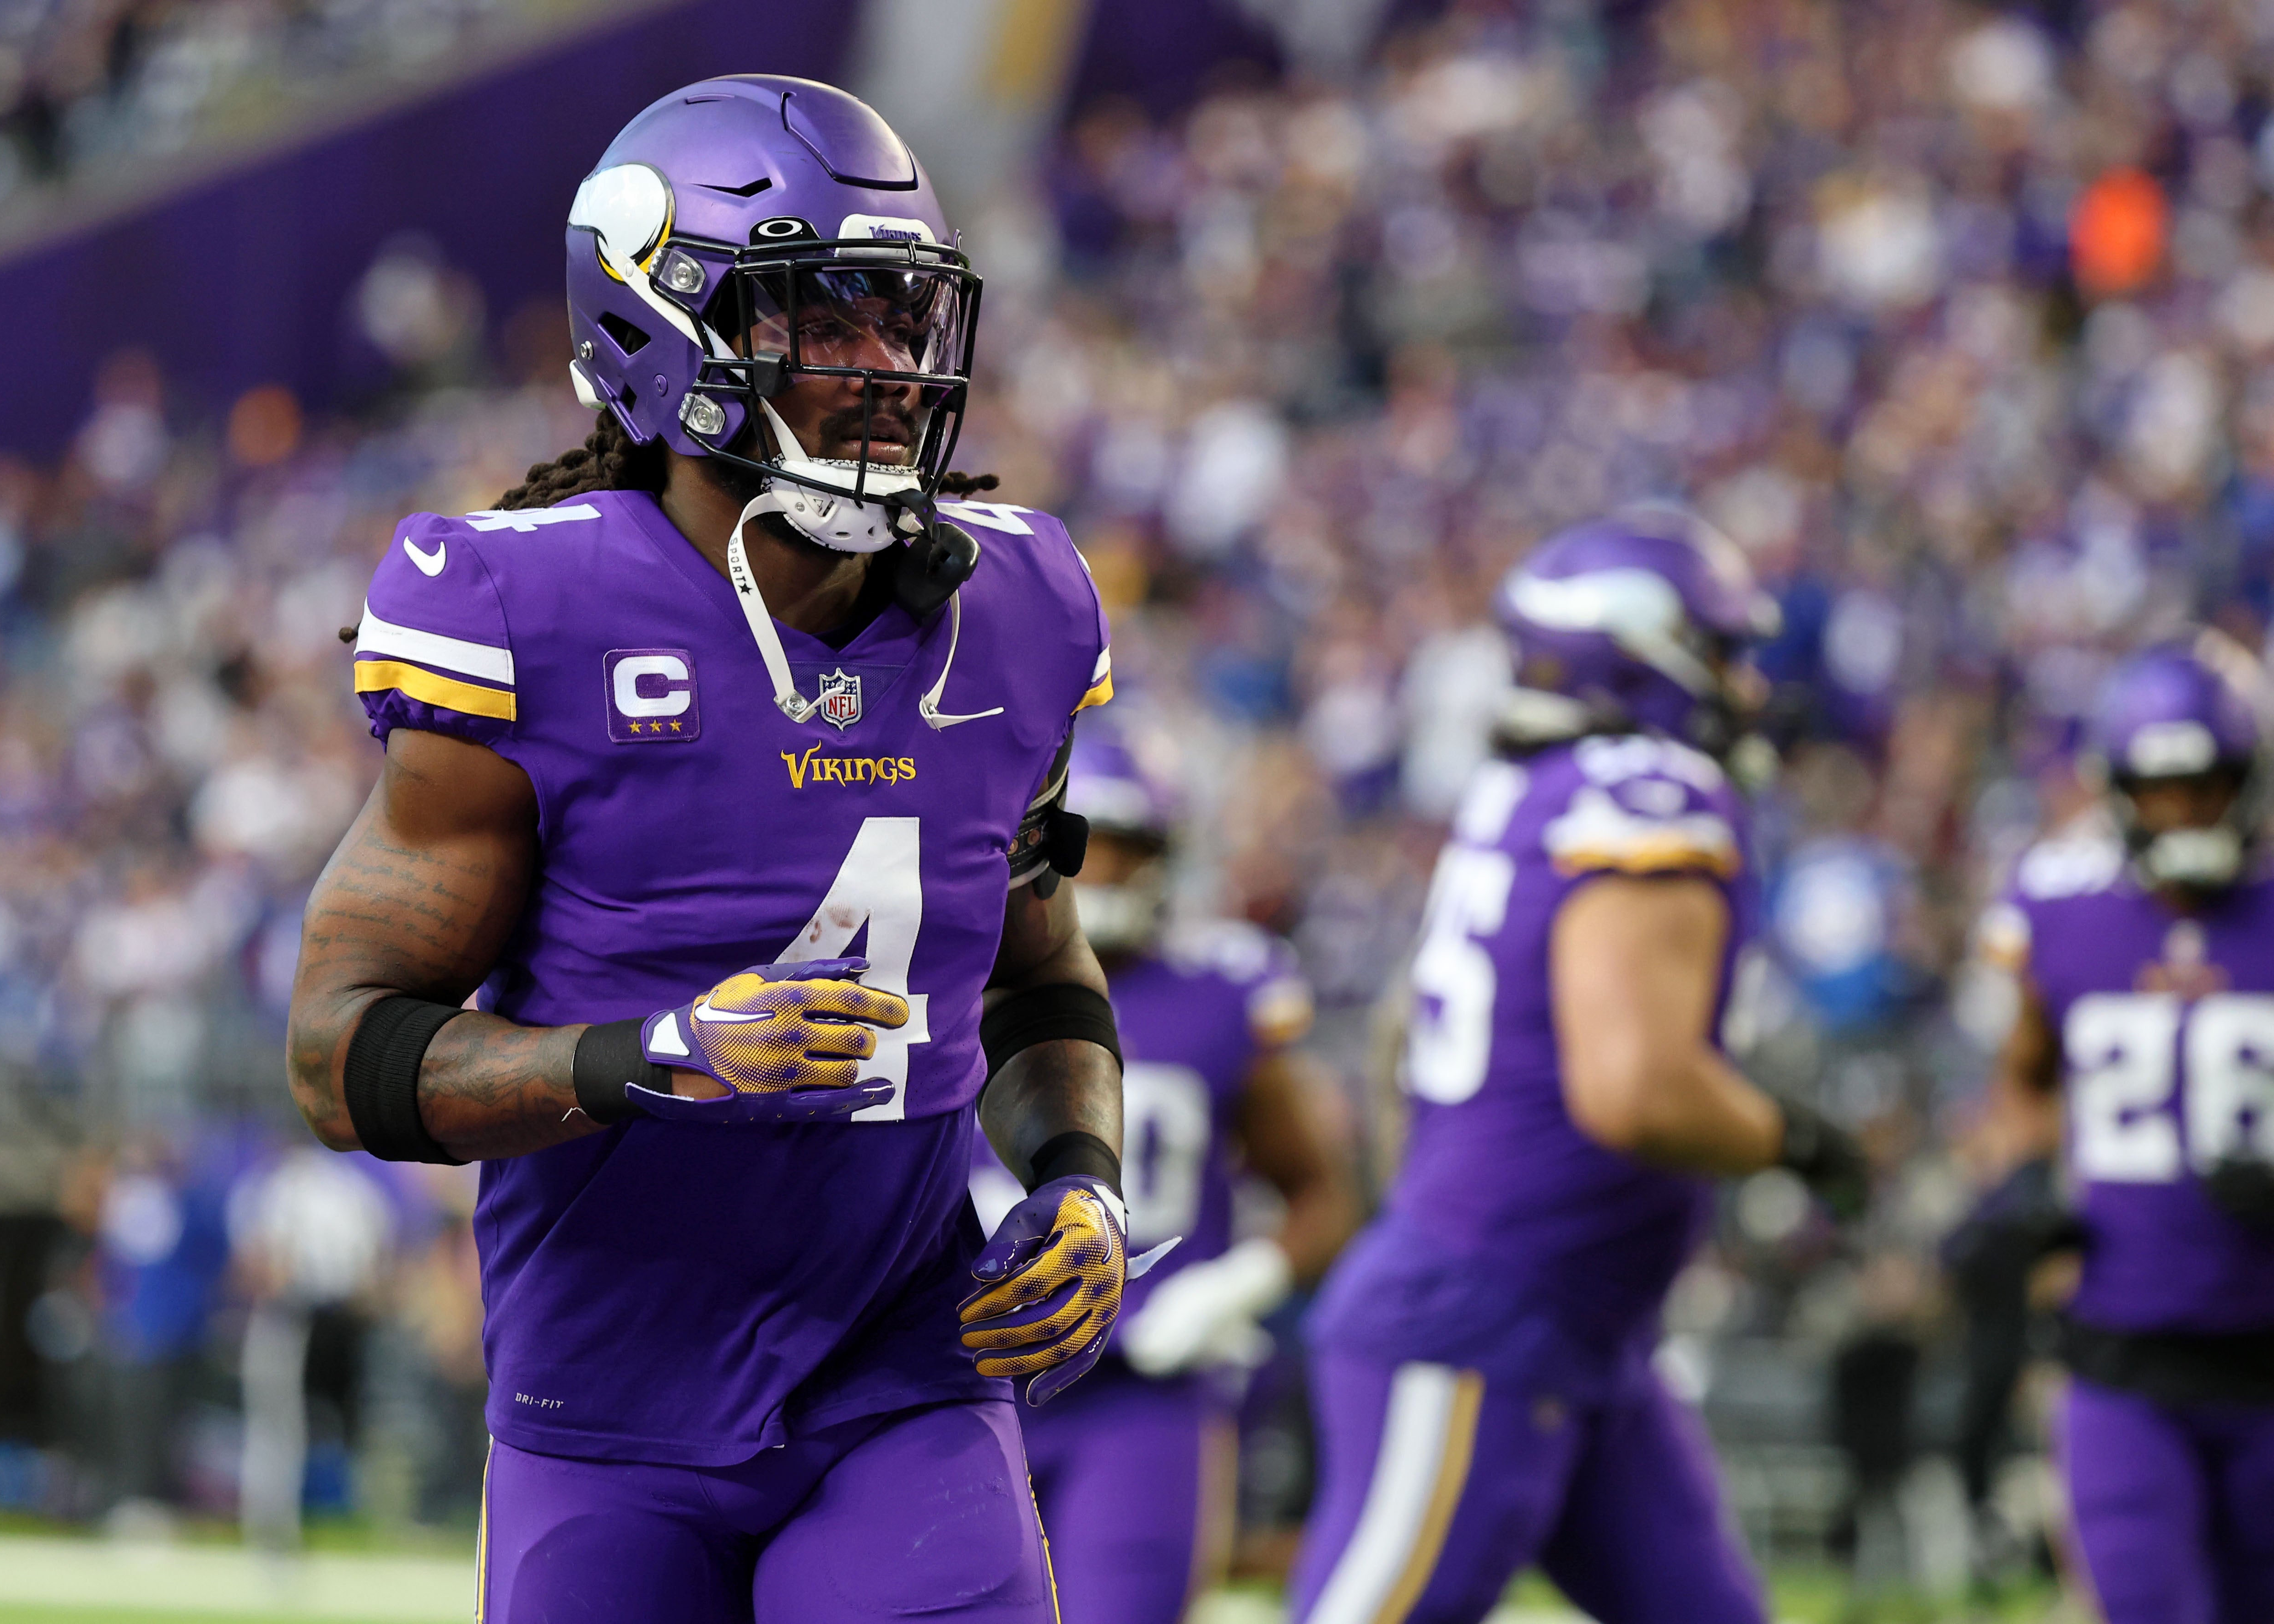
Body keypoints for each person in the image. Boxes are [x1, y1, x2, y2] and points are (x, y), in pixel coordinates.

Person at [285, 76, 1133, 1622]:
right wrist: (650, 1055)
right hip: (603, 1409)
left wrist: (1081, 1179)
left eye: (899, 319)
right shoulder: (520, 609)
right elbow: (340, 1057)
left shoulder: (1018, 602)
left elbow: (1039, 965)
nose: (882, 370)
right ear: (657, 332)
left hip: (901, 1374)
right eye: (823, 320)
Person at [1288, 509, 1870, 1624]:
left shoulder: (1528, 790)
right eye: (1722, 653)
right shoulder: (1648, 793)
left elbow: (1400, 1038)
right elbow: (1635, 1088)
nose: (1746, 684)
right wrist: (1798, 1141)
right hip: (1490, 1317)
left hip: (1578, 1322)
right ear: (1645, 652)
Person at [969, 734, 1360, 1624]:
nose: (1101, 870)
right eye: (1084, 841)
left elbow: (1322, 1189)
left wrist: (1232, 1288)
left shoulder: (1221, 993)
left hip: (1144, 1386)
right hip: (970, 1370)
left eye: (1125, 848)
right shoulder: (948, 973)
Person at [1974, 640, 2274, 1624]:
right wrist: (2026, 1182)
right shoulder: (2061, 911)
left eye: (2207, 786)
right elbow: (2023, 1084)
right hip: (2122, 1357)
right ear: (2117, 790)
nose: (2183, 812)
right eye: (2161, 789)